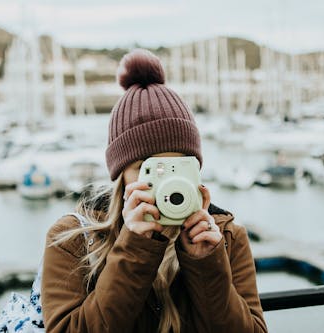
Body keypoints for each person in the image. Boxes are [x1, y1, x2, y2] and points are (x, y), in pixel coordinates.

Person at [41, 49, 267, 333]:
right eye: (150, 169)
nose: (166, 186)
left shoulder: (227, 238)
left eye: (178, 166)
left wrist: (207, 264)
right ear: (120, 174)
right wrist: (135, 248)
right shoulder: (72, 240)